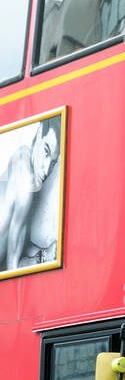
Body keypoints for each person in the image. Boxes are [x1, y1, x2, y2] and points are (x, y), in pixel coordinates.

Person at [0, 116, 61, 274]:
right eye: (46, 152)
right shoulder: (26, 185)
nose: (47, 170)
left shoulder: (22, 154)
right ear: (40, 132)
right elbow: (13, 270)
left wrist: (42, 255)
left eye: (53, 162)